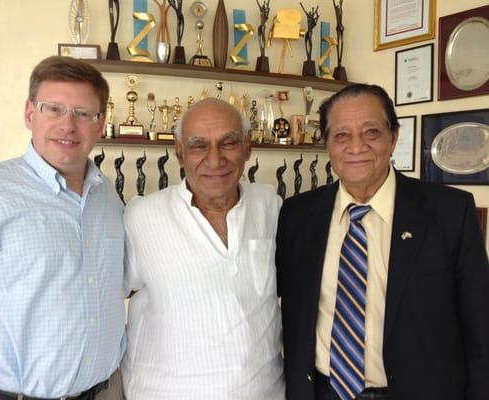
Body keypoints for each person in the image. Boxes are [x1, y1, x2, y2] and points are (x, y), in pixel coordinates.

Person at [276, 83, 489, 400]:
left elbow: (481, 328)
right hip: (323, 392)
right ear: (328, 145)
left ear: (394, 137)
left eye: (371, 132)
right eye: (341, 135)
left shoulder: (449, 212)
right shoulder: (296, 215)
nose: (356, 147)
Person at [0, 56, 126, 399]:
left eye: (83, 113)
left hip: (104, 392)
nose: (68, 125)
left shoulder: (109, 198)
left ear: (100, 124)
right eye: (54, 109)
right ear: (30, 114)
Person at [122, 98, 285, 399]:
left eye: (228, 143)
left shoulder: (271, 206)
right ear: (179, 152)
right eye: (199, 145)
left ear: (247, 147)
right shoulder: (141, 217)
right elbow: (101, 299)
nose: (214, 160)